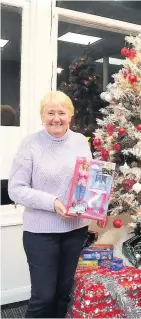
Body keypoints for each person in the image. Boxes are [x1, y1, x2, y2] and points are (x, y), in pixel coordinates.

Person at [8, 91, 92, 318]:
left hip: (75, 229)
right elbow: (15, 189)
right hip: (40, 232)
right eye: (50, 112)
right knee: (43, 297)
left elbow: (87, 180)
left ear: (71, 116)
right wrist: (52, 202)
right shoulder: (30, 145)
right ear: (42, 116)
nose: (56, 118)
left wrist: (93, 206)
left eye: (62, 113)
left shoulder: (80, 142)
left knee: (63, 294)